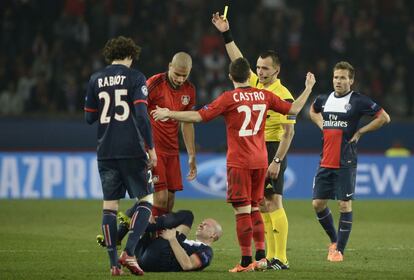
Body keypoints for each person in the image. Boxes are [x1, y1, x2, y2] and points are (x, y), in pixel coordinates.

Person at [152, 57, 316, 272]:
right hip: (261, 160)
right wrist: (308, 88)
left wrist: (168, 113)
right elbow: (293, 109)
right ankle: (261, 256)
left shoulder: (229, 98)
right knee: (256, 208)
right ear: (250, 76)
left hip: (240, 161)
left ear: (230, 77)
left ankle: (246, 262)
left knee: (242, 212)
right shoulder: (266, 94)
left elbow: (198, 116)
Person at [212, 12, 295, 270]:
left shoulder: (283, 94)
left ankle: (280, 258)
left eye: (265, 68)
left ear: (277, 70)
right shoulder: (256, 84)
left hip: (271, 148)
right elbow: (237, 59)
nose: (260, 71)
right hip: (256, 148)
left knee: (273, 202)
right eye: (257, 68)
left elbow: (288, 132)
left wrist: (278, 160)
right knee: (261, 205)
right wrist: (226, 33)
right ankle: (267, 256)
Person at [84, 36, 156, 276]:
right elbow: (142, 115)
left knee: (110, 207)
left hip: (105, 151)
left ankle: (114, 264)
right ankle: (131, 253)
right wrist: (151, 148)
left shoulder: (96, 79)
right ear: (131, 56)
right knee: (146, 200)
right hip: (132, 149)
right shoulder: (135, 77)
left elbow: (89, 117)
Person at [309, 61, 391, 262]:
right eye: (336, 77)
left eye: (343, 77)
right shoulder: (324, 99)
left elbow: (384, 118)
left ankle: (339, 251)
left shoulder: (359, 100)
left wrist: (361, 131)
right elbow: (313, 110)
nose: (338, 81)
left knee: (344, 205)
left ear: (351, 80)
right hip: (325, 160)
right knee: (317, 204)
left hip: (345, 160)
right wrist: (322, 125)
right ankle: (334, 241)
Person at [146, 52, 197, 217]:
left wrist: (191, 155)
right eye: (177, 74)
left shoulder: (189, 90)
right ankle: (146, 238)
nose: (180, 79)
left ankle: (159, 239)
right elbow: (137, 112)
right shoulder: (154, 83)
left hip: (172, 150)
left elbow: (187, 122)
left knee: (169, 201)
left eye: (185, 75)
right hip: (154, 148)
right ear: (170, 66)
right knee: (160, 198)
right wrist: (144, 147)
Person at [98, 210, 222, 272]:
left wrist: (173, 239)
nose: (201, 224)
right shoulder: (189, 242)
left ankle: (136, 225)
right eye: (201, 223)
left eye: (206, 225)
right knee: (140, 208)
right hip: (144, 260)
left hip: (160, 259)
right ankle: (119, 245)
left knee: (188, 215)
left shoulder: (207, 251)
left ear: (213, 235)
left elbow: (188, 265)